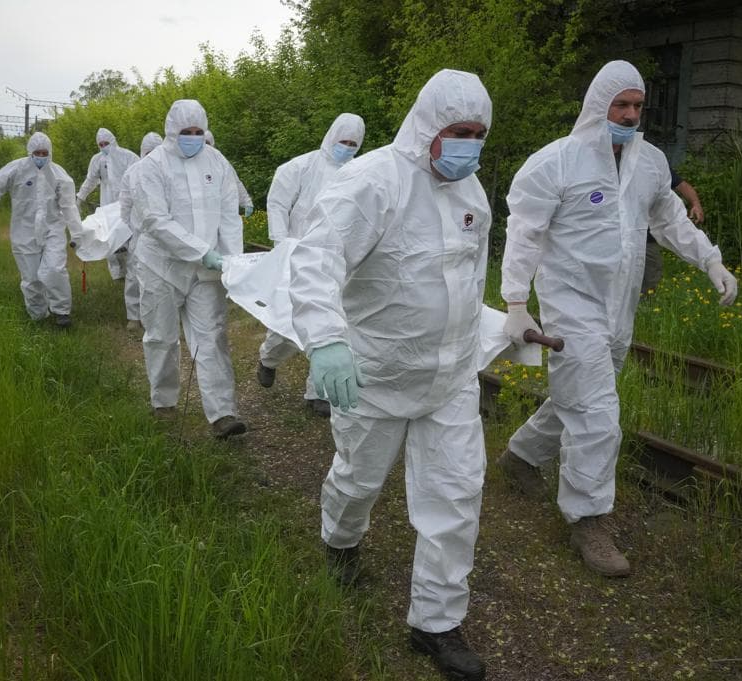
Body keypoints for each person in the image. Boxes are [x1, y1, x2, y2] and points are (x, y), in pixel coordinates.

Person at [496, 60, 737, 578]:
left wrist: (710, 259)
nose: (629, 115)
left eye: (637, 106)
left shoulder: (649, 162)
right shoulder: (555, 163)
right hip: (569, 302)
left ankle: (519, 457)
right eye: (620, 105)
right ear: (597, 104)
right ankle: (588, 519)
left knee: (582, 397)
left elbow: (669, 219)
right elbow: (525, 232)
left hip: (619, 305)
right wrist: (516, 301)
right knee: (599, 413)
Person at [289, 70, 492, 681]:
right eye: (460, 132)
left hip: (451, 377)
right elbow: (316, 258)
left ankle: (436, 622)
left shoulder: (472, 193)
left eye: (480, 134)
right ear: (430, 126)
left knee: (455, 498)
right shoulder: (373, 181)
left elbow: (467, 283)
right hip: (374, 375)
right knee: (358, 479)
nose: (470, 145)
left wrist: (500, 332)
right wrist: (326, 341)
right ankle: (340, 541)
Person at [131, 100, 247, 440]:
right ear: (171, 131)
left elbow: (229, 215)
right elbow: (156, 220)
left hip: (205, 272)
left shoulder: (218, 162)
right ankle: (164, 401)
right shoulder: (151, 167)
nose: (193, 138)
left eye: (198, 132)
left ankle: (223, 413)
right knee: (161, 337)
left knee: (213, 338)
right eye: (186, 132)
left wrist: (232, 261)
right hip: (161, 267)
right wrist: (202, 251)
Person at [257, 112, 366, 418]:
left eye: (353, 143)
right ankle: (268, 358)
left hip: (340, 260)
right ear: (332, 136)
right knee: (290, 325)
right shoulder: (301, 167)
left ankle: (318, 392)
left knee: (334, 322)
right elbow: (278, 202)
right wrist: (281, 243)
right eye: (343, 141)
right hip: (299, 255)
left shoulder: (360, 173)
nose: (347, 148)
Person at [0, 132, 83, 328]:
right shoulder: (16, 169)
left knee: (54, 269)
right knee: (31, 278)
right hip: (24, 230)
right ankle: (38, 315)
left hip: (52, 228)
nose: (40, 156)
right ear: (30, 152)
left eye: (44, 152)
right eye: (37, 152)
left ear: (50, 152)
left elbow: (69, 206)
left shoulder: (58, 175)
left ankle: (61, 311)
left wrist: (77, 233)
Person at [76, 128, 140, 288]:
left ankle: (133, 274)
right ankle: (118, 275)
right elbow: (90, 180)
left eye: (106, 143)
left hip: (127, 206)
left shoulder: (128, 157)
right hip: (107, 206)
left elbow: (140, 177)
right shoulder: (97, 160)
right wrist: (80, 197)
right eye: (101, 144)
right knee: (110, 240)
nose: (104, 146)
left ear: (113, 141)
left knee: (129, 238)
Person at [119, 131, 163, 332]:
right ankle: (134, 316)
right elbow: (125, 204)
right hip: (140, 234)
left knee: (163, 278)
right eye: (149, 152)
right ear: (143, 152)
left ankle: (159, 317)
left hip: (164, 236)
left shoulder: (170, 170)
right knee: (135, 276)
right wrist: (126, 231)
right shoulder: (132, 172)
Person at [641, 169, 705, 293]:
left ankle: (647, 307)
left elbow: (682, 185)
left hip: (647, 237)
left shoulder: (650, 160)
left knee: (650, 276)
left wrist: (696, 204)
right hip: (614, 236)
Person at [204, 130, 254, 217]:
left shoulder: (220, 161)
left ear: (212, 144)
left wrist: (246, 201)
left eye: (206, 143)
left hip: (218, 211)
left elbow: (234, 181)